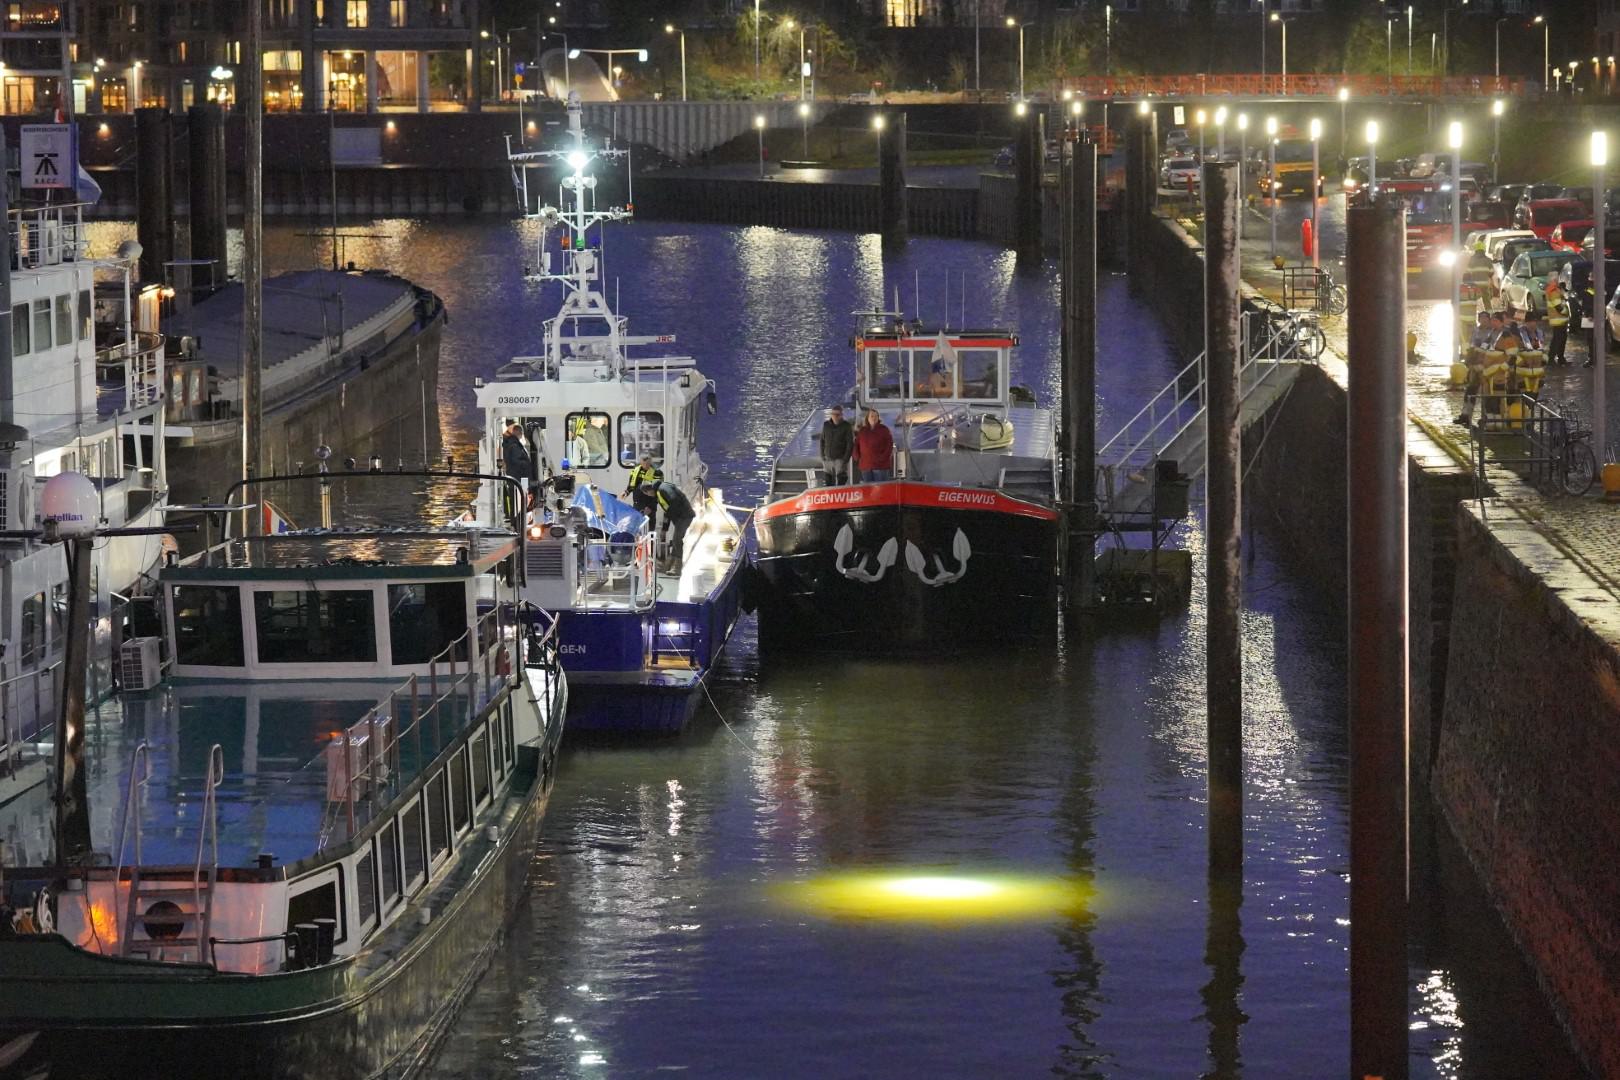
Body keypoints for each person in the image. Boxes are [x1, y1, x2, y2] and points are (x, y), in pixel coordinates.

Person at [645, 479, 695, 574]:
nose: (649, 496)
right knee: (676, 540)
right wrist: (664, 529)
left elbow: (674, 500)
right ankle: (669, 564)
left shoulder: (663, 488)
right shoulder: (659, 493)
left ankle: (677, 568)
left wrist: (670, 514)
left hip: (684, 516)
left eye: (647, 494)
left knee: (677, 540)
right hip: (681, 518)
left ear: (649, 490)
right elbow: (667, 510)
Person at [852, 408, 894, 482]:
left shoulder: (884, 430)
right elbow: (856, 445)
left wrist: (882, 458)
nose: (874, 418)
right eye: (872, 416)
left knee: (880, 488)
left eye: (876, 416)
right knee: (868, 489)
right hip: (866, 465)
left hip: (880, 466)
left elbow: (889, 445)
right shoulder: (863, 430)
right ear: (867, 418)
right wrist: (857, 457)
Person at [500, 422, 531, 521]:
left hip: (517, 478)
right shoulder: (514, 445)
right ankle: (518, 521)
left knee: (519, 501)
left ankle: (518, 520)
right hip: (520, 479)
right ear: (520, 433)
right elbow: (516, 461)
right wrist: (527, 463)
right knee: (520, 501)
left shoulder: (511, 444)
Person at [818, 404, 854, 486]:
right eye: (833, 414)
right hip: (827, 458)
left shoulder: (846, 426)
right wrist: (822, 455)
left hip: (840, 459)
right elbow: (822, 441)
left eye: (837, 415)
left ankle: (841, 497)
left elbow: (850, 444)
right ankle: (830, 497)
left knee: (841, 480)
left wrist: (845, 459)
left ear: (841, 415)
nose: (835, 416)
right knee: (828, 480)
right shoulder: (826, 425)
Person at [624, 454, 662, 519]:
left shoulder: (657, 472)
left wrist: (651, 507)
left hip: (649, 505)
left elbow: (657, 491)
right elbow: (631, 483)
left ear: (650, 462)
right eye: (644, 464)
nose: (646, 466)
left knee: (650, 527)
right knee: (637, 524)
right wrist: (627, 492)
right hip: (637, 503)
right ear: (641, 463)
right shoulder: (636, 470)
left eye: (648, 464)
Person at [1545, 274, 1571, 366]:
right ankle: (1552, 359)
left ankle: (1560, 358)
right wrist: (1567, 312)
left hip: (1560, 320)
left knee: (1560, 340)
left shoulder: (1555, 290)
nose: (1558, 281)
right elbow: (1558, 306)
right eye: (1557, 279)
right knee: (1557, 341)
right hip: (1558, 320)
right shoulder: (1553, 291)